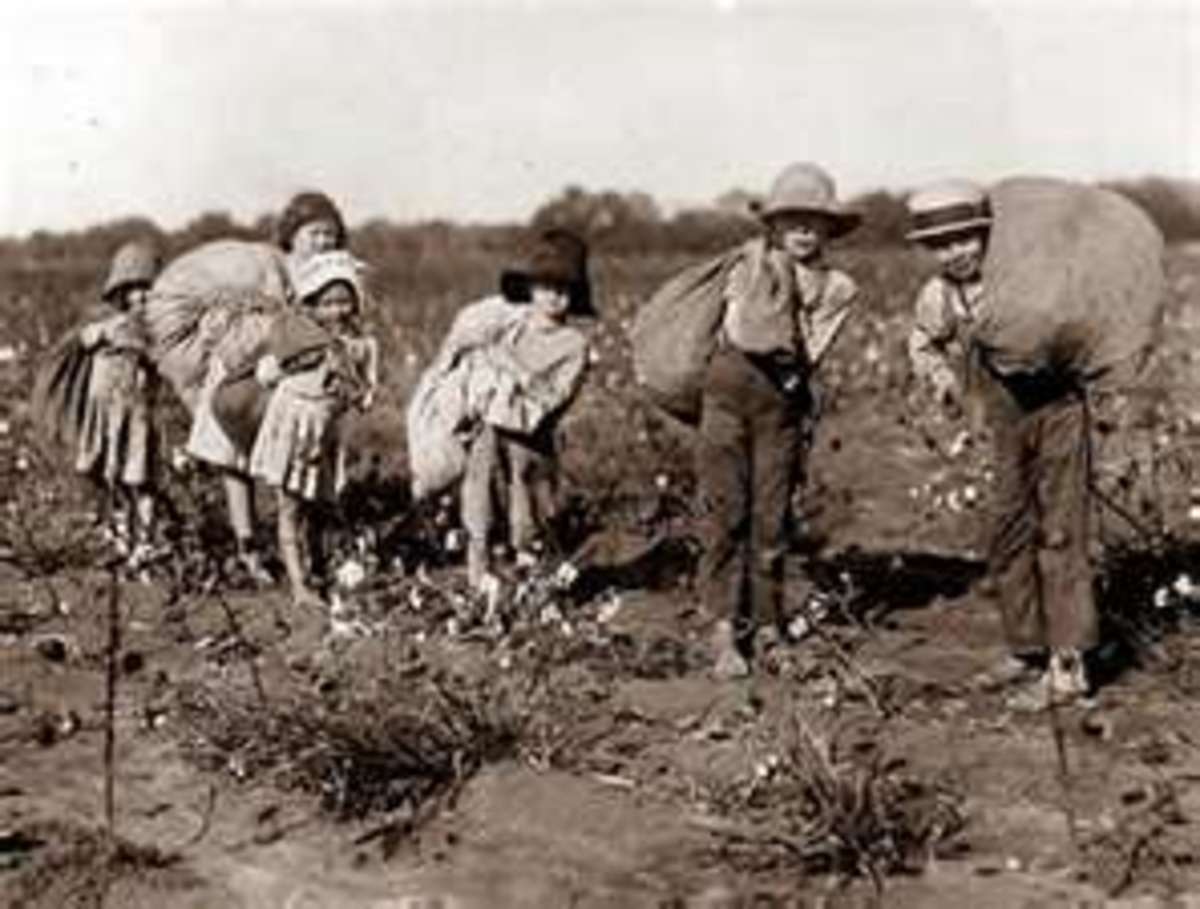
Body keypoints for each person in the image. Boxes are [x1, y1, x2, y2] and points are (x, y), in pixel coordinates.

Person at [905, 180, 1094, 708]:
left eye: (964, 239)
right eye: (941, 245)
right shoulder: (938, 296)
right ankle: (1026, 646)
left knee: (1061, 531)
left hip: (1059, 411)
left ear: (987, 236)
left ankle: (1068, 664)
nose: (955, 252)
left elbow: (1078, 325)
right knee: (1009, 530)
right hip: (1001, 420)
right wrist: (944, 381)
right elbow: (923, 343)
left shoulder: (1024, 277)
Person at [698, 162, 861, 679]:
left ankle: (768, 626)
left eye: (815, 221)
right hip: (726, 398)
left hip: (780, 406)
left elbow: (811, 351)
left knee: (771, 520)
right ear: (774, 225)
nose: (804, 231)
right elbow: (730, 330)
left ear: (830, 228)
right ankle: (723, 627)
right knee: (725, 514)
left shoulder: (836, 287)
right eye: (793, 220)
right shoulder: (747, 265)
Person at [415, 229, 594, 590]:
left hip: (531, 442)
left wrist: (513, 371)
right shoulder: (509, 326)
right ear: (531, 290)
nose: (554, 296)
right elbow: (473, 358)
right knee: (480, 503)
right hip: (488, 432)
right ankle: (480, 576)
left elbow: (554, 397)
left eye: (563, 289)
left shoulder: (574, 345)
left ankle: (528, 580)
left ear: (574, 296)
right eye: (545, 287)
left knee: (527, 513)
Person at [183, 190, 347, 582]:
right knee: (234, 459)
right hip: (245, 369)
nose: (322, 242)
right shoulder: (271, 266)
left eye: (329, 234)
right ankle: (249, 547)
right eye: (313, 233)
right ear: (292, 235)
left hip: (298, 380)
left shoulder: (336, 272)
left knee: (298, 456)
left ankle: (305, 547)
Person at [246, 250, 377, 609]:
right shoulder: (299, 338)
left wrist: (352, 388)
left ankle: (318, 570)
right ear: (313, 305)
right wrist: (299, 363)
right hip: (292, 428)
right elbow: (266, 374)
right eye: (328, 303)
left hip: (324, 433)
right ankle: (299, 585)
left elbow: (367, 394)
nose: (337, 311)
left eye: (344, 302)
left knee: (319, 506)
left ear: (356, 302)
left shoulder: (360, 346)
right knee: (289, 506)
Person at [75, 240, 163, 567]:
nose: (142, 297)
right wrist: (100, 334)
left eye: (148, 289)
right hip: (105, 412)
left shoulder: (153, 331)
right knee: (107, 473)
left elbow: (158, 359)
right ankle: (122, 534)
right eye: (135, 289)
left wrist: (138, 345)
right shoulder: (106, 326)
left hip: (136, 413)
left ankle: (146, 542)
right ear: (122, 293)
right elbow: (83, 339)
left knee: (140, 477)